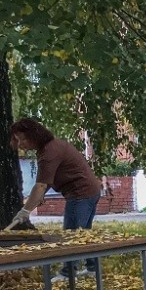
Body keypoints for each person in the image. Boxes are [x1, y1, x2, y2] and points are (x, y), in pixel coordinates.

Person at [6, 118, 102, 281]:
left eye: (22, 139)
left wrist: (25, 210)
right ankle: (92, 268)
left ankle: (68, 273)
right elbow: (48, 180)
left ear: (33, 135)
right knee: (82, 233)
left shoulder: (48, 153)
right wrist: (37, 199)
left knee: (71, 234)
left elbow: (41, 185)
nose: (21, 144)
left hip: (81, 194)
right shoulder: (52, 147)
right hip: (91, 191)